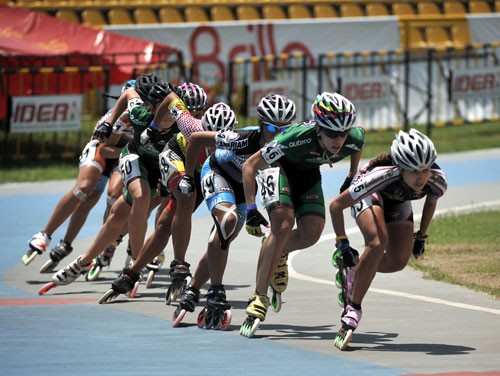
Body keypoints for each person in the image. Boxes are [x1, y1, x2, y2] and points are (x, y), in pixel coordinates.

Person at [239, 92, 365, 338]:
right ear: (318, 128)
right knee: (283, 224)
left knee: (312, 233)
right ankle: (259, 297)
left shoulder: (353, 136)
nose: (338, 140)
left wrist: (351, 175)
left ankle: (278, 249)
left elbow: (357, 146)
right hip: (280, 169)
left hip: (308, 175)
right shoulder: (293, 138)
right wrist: (251, 208)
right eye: (331, 133)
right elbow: (249, 166)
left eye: (342, 133)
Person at [37, 74, 176, 294]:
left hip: (160, 164)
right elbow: (127, 96)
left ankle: (87, 259)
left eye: (165, 109)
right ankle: (134, 261)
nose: (164, 116)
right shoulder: (138, 111)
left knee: (119, 213)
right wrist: (109, 122)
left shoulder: (179, 114)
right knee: (136, 198)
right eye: (155, 108)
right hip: (135, 157)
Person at [172, 94, 297, 329]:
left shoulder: (289, 145)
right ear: (261, 124)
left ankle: (193, 290)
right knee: (227, 222)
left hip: (242, 188)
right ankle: (217, 291)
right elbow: (197, 139)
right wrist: (188, 176)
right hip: (217, 172)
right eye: (272, 128)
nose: (279, 134)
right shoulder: (240, 139)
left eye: (285, 128)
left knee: (222, 238)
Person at [98, 99, 237, 304]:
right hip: (176, 157)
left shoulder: (237, 141)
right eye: (207, 138)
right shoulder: (190, 125)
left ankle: (131, 274)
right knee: (184, 198)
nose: (211, 144)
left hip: (203, 172)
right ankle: (179, 266)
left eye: (216, 141)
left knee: (164, 225)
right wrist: (153, 127)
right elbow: (171, 98)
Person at [329, 128, 447, 350]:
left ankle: (354, 269)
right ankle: (353, 308)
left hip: (398, 200)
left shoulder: (436, 180)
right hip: (371, 194)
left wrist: (421, 236)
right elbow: (335, 206)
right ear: (401, 168)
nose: (422, 177)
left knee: (398, 261)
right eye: (414, 171)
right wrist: (342, 241)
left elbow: (431, 201)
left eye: (425, 170)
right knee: (376, 242)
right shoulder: (380, 175)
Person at [22, 79, 144, 269]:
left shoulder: (146, 116)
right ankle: (46, 234)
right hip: (103, 151)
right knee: (85, 189)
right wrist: (129, 150)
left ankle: (108, 243)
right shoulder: (116, 118)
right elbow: (104, 150)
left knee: (114, 195)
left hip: (122, 156)